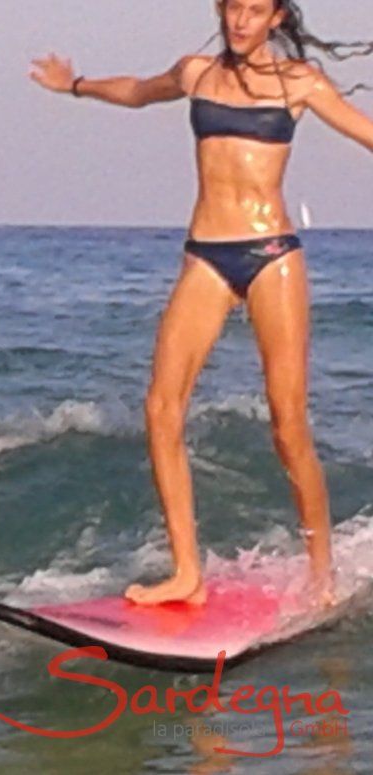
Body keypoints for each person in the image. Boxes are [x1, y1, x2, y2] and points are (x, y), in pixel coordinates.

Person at [30, 0, 373, 605]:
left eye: (254, 10)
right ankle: (186, 572)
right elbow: (139, 90)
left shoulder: (300, 83)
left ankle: (322, 574)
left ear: (275, 18)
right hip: (208, 256)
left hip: (272, 254)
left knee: (287, 423)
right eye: (232, 7)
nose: (241, 20)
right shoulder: (196, 73)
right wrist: (75, 85)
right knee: (161, 407)